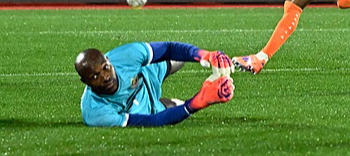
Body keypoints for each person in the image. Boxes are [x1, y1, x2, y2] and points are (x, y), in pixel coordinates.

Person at [76, 42, 234, 127]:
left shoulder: (125, 55)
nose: (105, 77)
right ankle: (166, 103)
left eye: (106, 68)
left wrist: (204, 55)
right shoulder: (96, 113)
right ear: (86, 82)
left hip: (147, 74)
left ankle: (227, 63)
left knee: (179, 59)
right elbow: (154, 122)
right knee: (174, 106)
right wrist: (197, 102)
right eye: (95, 76)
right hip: (141, 109)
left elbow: (169, 48)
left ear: (109, 61)